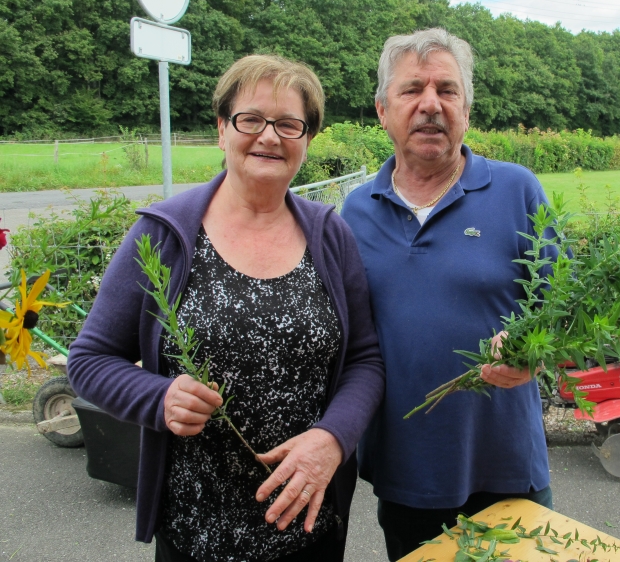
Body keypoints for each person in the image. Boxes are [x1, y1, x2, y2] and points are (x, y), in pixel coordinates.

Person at [68, 54, 384, 562]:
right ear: (221, 130)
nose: (269, 136)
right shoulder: (164, 234)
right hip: (195, 528)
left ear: (307, 139)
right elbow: (89, 359)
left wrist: (333, 438)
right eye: (250, 119)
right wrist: (159, 397)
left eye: (288, 123)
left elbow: (365, 360)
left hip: (309, 525)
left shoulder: (330, 235)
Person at [340, 28, 558, 561]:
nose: (430, 105)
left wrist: (536, 349)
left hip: (506, 463)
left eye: (447, 90)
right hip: (408, 469)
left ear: (467, 107)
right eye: (412, 89)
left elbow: (563, 308)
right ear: (382, 109)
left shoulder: (517, 190)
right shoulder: (354, 213)